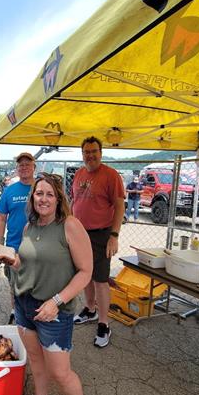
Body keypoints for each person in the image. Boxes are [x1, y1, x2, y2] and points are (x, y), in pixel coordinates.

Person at [0, 173, 93, 395]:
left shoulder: (70, 226)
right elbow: (23, 263)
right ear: (32, 197)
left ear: (58, 198)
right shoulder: (30, 227)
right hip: (24, 305)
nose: (43, 199)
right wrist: (0, 253)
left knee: (60, 373)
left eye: (50, 194)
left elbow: (86, 272)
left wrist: (56, 301)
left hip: (54, 311)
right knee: (37, 363)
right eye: (39, 193)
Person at [71, 136, 125, 348]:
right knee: (85, 274)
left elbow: (119, 206)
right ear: (82, 154)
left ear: (101, 153)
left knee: (101, 279)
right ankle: (90, 309)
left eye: (94, 151)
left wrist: (114, 236)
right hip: (80, 233)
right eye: (87, 152)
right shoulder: (79, 174)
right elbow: (74, 201)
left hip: (102, 234)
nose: (90, 155)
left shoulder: (111, 175)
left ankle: (104, 324)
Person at [0, 152, 36, 323]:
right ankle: (16, 311)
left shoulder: (40, 188)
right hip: (13, 246)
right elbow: (1, 218)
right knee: (14, 283)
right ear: (17, 169)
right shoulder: (10, 191)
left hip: (37, 246)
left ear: (34, 167)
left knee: (36, 283)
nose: (24, 167)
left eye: (28, 164)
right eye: (21, 165)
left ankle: (34, 313)